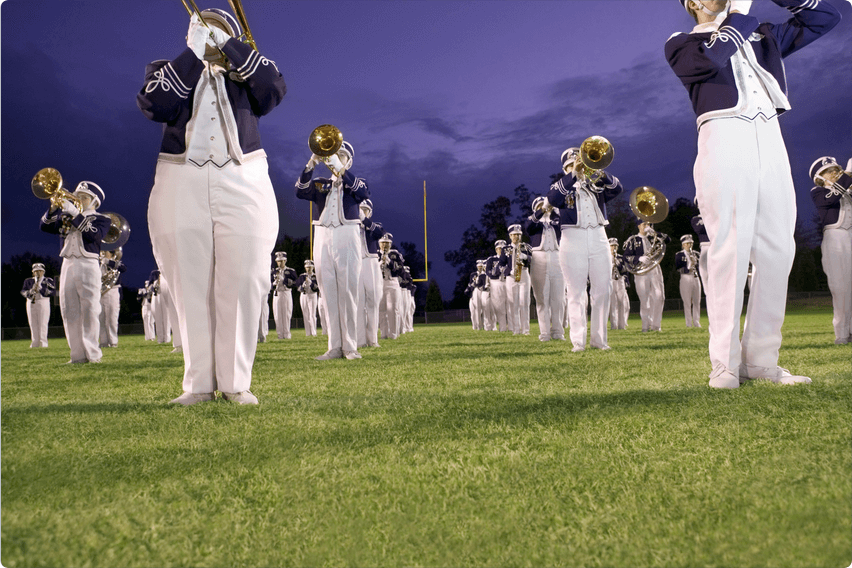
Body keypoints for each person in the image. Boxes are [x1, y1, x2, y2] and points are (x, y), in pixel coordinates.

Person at [666, 0, 839, 388]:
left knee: (779, 249)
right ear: (693, 3)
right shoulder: (681, 42)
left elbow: (827, 16)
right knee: (730, 249)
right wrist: (740, 16)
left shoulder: (761, 34)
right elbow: (710, 61)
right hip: (723, 135)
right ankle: (724, 365)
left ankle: (761, 360)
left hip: (769, 135)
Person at [138, 8, 286, 404]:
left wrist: (230, 47)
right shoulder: (167, 68)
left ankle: (237, 382)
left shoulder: (248, 70)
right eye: (201, 27)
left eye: (217, 28)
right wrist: (193, 52)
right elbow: (155, 105)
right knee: (187, 282)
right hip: (179, 177)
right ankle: (198, 384)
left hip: (244, 177)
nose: (207, 32)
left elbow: (273, 90)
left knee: (244, 278)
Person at [296, 139, 370, 360]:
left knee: (347, 290)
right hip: (323, 235)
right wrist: (311, 163)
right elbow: (300, 191)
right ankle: (334, 346)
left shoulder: (356, 182)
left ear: (350, 160)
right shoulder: (321, 183)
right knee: (328, 292)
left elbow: (363, 193)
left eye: (342, 156)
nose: (337, 159)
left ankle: (350, 346)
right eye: (334, 155)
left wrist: (339, 167)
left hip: (347, 233)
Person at [546, 146, 623, 352]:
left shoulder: (595, 184)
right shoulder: (561, 186)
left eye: (581, 162)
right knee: (576, 292)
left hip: (599, 236)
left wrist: (600, 172)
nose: (579, 166)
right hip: (573, 239)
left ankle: (599, 341)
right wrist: (574, 174)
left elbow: (617, 188)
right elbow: (552, 199)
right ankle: (578, 342)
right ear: (565, 168)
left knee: (602, 290)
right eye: (573, 164)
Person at [40, 182, 111, 364]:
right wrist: (53, 208)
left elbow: (93, 235)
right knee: (68, 309)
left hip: (88, 263)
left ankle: (93, 354)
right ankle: (77, 355)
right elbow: (45, 227)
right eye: (77, 195)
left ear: (94, 201)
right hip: (68, 264)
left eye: (84, 196)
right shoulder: (68, 216)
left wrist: (75, 214)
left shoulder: (102, 219)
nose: (79, 199)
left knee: (90, 309)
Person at [810, 156, 852, 345]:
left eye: (837, 169)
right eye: (830, 171)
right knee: (841, 288)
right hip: (835, 239)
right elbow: (832, 197)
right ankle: (842, 333)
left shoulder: (846, 191)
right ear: (820, 177)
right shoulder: (818, 191)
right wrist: (848, 174)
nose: (835, 173)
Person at [525, 196, 564, 342]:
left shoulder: (556, 220)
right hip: (539, 257)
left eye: (547, 204)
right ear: (536, 208)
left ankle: (558, 332)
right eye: (541, 205)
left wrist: (555, 209)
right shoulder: (533, 222)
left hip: (557, 256)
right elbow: (528, 226)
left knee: (558, 298)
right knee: (541, 298)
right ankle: (545, 333)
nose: (546, 207)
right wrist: (542, 210)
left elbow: (565, 223)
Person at [624, 222, 669, 332]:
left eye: (649, 224)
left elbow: (668, 240)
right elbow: (626, 257)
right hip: (642, 271)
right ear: (638, 226)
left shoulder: (654, 237)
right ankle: (645, 325)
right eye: (644, 224)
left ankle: (656, 325)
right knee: (645, 300)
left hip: (655, 269)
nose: (647, 227)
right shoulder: (633, 240)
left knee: (659, 296)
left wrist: (654, 233)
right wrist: (639, 258)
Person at [356, 199, 385, 348]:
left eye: (365, 209)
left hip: (371, 262)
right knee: (358, 302)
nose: (362, 211)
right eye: (360, 209)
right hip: (356, 263)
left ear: (370, 212)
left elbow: (380, 233)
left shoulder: (374, 226)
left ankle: (373, 339)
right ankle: (360, 340)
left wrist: (364, 219)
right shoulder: (352, 227)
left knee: (373, 300)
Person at [21, 263, 56, 348]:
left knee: (43, 323)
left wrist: (41, 289)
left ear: (43, 272)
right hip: (30, 302)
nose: (38, 273)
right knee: (33, 323)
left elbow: (53, 292)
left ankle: (43, 343)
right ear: (33, 272)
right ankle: (35, 342)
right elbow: (23, 291)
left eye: (40, 271)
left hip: (43, 301)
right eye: (36, 271)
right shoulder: (28, 281)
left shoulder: (48, 280)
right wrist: (30, 292)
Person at [378, 234, 406, 340]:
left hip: (392, 283)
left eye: (387, 243)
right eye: (382, 243)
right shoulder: (375, 254)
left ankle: (393, 333)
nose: (384, 245)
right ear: (379, 243)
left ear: (390, 244)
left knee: (392, 309)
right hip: (379, 283)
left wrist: (390, 263)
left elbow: (402, 272)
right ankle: (383, 334)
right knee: (381, 310)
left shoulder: (395, 254)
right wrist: (379, 264)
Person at [507, 224, 533, 336]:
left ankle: (525, 330)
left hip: (524, 273)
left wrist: (526, 257)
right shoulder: (505, 249)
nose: (515, 237)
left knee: (524, 302)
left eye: (518, 235)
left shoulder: (526, 247)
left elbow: (536, 259)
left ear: (520, 235)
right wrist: (509, 271)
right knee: (514, 303)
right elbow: (501, 264)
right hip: (511, 277)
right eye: (513, 235)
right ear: (510, 236)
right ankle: (516, 329)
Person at [99, 249, 126, 348]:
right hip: (100, 292)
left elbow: (123, 268)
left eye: (104, 252)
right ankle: (104, 342)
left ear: (111, 253)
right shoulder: (99, 263)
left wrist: (109, 262)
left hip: (112, 291)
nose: (101, 253)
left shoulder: (116, 263)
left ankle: (113, 341)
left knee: (111, 318)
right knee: (100, 318)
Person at [674, 235, 702, 328]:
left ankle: (697, 322)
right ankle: (689, 323)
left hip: (695, 277)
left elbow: (701, 267)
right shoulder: (679, 255)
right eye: (686, 244)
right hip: (685, 277)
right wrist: (688, 266)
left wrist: (696, 263)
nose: (689, 245)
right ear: (683, 245)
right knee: (687, 302)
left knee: (697, 301)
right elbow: (677, 267)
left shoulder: (696, 253)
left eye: (690, 243)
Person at [271, 251, 298, 340]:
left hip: (286, 293)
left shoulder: (290, 271)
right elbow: (269, 283)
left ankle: (286, 334)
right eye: (279, 261)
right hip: (277, 293)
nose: (280, 262)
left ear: (285, 261)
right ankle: (280, 335)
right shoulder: (274, 271)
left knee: (286, 314)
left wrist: (285, 281)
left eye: (282, 260)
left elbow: (296, 283)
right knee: (277, 315)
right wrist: (273, 284)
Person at [485, 240, 511, 332]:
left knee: (510, 305)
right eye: (499, 248)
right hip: (496, 283)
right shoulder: (491, 259)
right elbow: (488, 272)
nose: (501, 250)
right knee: (499, 307)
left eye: (503, 248)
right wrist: (496, 272)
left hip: (508, 281)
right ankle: (503, 328)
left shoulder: (510, 258)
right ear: (496, 249)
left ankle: (512, 328)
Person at [608, 238, 629, 331]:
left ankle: (622, 325)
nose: (614, 248)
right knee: (613, 304)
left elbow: (625, 270)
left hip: (619, 280)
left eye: (615, 246)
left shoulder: (621, 257)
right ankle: (614, 325)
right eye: (612, 246)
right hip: (610, 280)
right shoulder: (605, 257)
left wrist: (619, 265)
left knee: (622, 302)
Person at [296, 260, 319, 337]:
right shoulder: (302, 276)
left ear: (313, 267)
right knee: (305, 314)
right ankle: (308, 332)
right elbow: (298, 287)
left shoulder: (315, 276)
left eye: (310, 267)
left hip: (312, 295)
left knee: (312, 314)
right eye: (307, 267)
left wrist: (312, 284)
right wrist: (302, 286)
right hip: (304, 295)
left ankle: (314, 332)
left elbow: (317, 288)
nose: (308, 269)